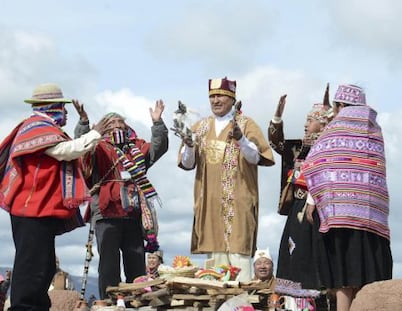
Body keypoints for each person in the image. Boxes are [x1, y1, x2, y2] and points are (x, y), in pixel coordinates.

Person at [0, 83, 110, 310]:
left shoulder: (45, 128)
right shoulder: (37, 127)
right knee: (32, 265)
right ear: (51, 106)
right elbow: (65, 151)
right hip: (31, 208)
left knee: (45, 265)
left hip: (40, 209)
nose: (66, 112)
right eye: (62, 106)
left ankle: (36, 306)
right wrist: (95, 133)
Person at [302, 84, 393, 311]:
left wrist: (313, 201)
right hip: (371, 215)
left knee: (342, 274)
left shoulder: (335, 129)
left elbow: (315, 164)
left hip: (339, 215)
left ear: (340, 105)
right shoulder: (374, 130)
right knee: (367, 271)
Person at [178, 77, 275, 281]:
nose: (215, 100)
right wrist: (188, 145)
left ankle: (243, 306)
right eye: (212, 96)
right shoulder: (200, 127)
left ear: (232, 98)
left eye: (220, 95)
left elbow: (257, 157)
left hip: (238, 203)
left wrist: (240, 139)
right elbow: (187, 164)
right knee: (214, 264)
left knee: (239, 259)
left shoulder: (246, 124)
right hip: (210, 205)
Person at [75, 100, 169, 299]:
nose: (117, 125)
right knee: (108, 263)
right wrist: (84, 124)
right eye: (112, 122)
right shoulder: (98, 146)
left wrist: (158, 124)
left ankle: (136, 301)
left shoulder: (137, 146)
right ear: (104, 126)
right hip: (106, 212)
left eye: (120, 122)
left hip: (133, 212)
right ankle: (109, 302)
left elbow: (158, 149)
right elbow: (81, 149)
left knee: (135, 261)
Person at [268, 86, 332, 290]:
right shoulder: (298, 147)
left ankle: (319, 297)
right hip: (297, 206)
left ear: (323, 124)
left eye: (310, 120)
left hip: (319, 209)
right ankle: (294, 299)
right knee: (293, 252)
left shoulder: (331, 145)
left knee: (314, 254)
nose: (305, 125)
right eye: (305, 120)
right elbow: (276, 143)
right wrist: (277, 116)